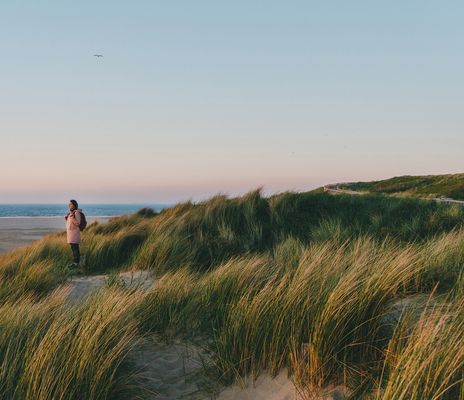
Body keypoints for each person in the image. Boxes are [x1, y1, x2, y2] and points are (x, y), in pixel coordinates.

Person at [65, 199, 82, 268]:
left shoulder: (76, 213)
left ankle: (76, 263)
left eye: (70, 204)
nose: (69, 205)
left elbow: (78, 223)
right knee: (73, 248)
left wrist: (72, 218)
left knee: (75, 248)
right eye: (69, 204)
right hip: (70, 233)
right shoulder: (71, 213)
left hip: (74, 233)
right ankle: (75, 263)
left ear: (74, 205)